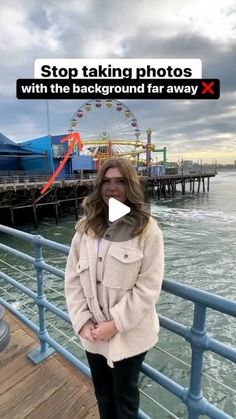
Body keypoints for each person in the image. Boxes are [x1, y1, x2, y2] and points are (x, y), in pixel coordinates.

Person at [65, 157, 164, 419]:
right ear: (99, 186)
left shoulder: (147, 230)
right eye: (106, 181)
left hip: (129, 334)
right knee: (103, 394)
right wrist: (82, 321)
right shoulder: (85, 228)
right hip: (93, 332)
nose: (112, 187)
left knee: (125, 399)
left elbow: (149, 287)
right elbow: (73, 278)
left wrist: (116, 323)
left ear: (130, 186)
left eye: (120, 181)